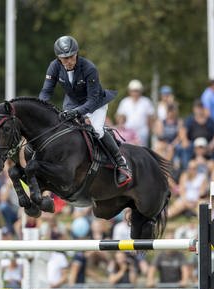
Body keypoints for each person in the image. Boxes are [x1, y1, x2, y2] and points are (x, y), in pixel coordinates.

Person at [39, 35, 131, 186]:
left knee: (97, 131)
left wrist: (76, 113)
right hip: (72, 102)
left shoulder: (89, 68)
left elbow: (92, 100)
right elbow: (46, 92)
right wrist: (41, 108)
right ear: (58, 58)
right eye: (64, 58)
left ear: (76, 54)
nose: (68, 61)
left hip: (95, 103)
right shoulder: (54, 66)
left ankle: (121, 164)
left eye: (71, 57)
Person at [116, 79, 155, 147]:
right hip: (128, 133)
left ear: (140, 91)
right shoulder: (124, 102)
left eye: (137, 91)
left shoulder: (146, 101)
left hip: (142, 132)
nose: (135, 93)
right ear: (129, 91)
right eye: (133, 91)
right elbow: (119, 117)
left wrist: (150, 130)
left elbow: (150, 118)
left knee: (142, 150)